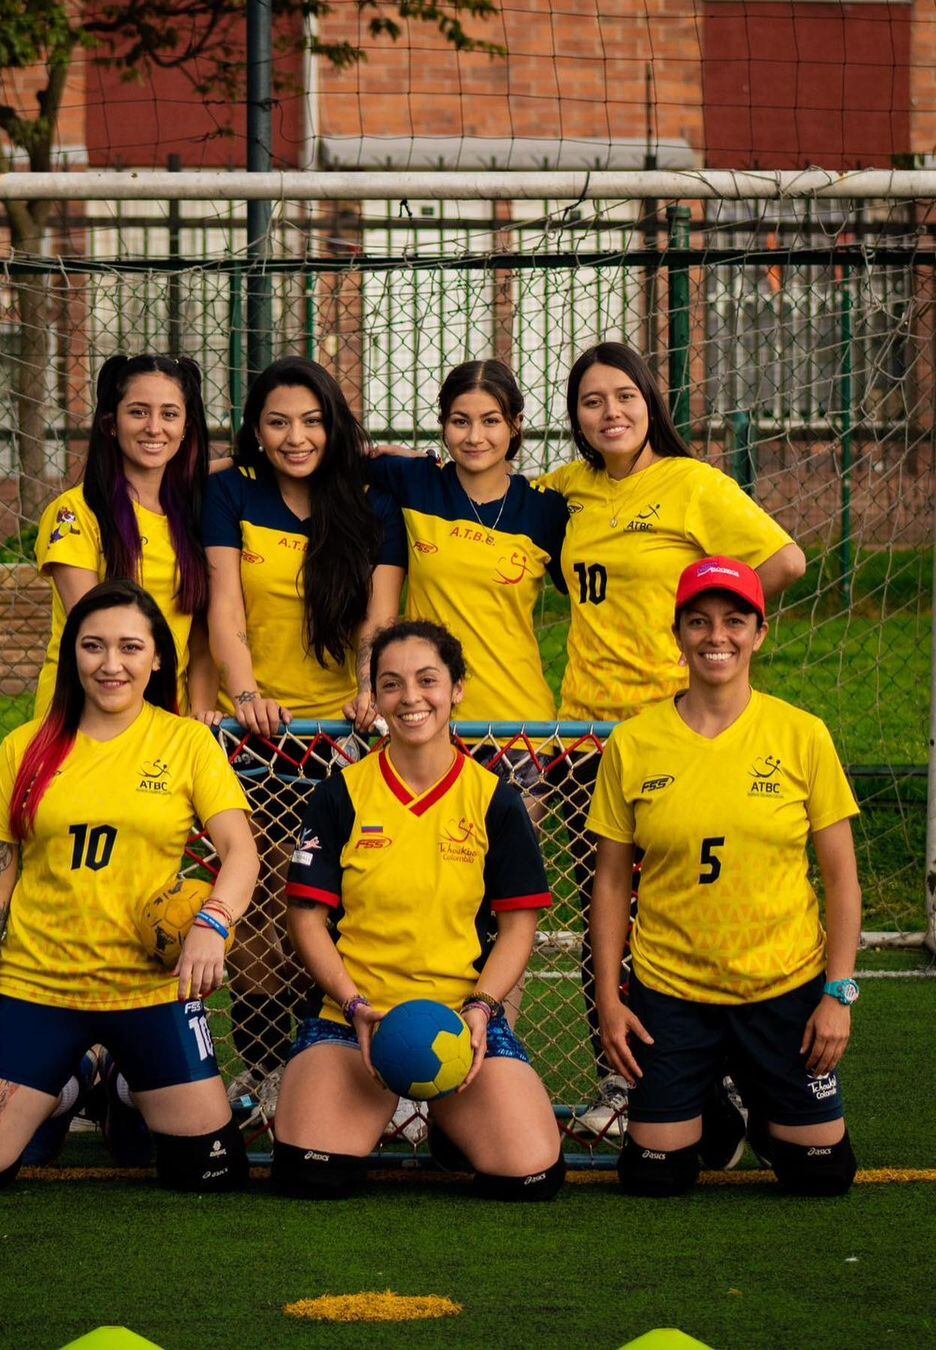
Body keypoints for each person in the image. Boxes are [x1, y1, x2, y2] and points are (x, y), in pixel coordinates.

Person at [535, 342, 807, 1143]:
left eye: (624, 396)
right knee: (605, 918)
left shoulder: (693, 486)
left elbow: (783, 558)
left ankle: (728, 1073)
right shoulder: (568, 491)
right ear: (576, 417)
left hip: (679, 731)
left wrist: (714, 636)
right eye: (591, 401)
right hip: (589, 736)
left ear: (651, 401)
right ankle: (621, 1082)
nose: (610, 412)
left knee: (687, 909)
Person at [0, 580, 258, 1193]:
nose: (112, 665)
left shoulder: (186, 741)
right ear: (72, 655)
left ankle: (125, 1088)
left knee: (209, 1175)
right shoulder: (24, 748)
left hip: (150, 990)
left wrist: (212, 924)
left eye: (131, 647)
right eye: (94, 647)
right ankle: (76, 1075)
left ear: (158, 657)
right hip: (39, 985)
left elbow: (241, 852)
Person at [588, 557, 860, 1196]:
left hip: (783, 986)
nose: (718, 636)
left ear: (759, 633)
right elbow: (609, 882)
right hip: (672, 992)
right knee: (656, 1178)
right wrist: (608, 997)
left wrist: (838, 993)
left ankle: (769, 1109)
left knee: (821, 1176)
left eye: (735, 621)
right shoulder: (633, 743)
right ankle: (708, 1102)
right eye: (700, 622)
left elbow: (842, 879)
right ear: (678, 634)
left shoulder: (802, 735)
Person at [272, 619, 565, 1201]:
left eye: (428, 680)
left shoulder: (494, 800)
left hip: (460, 1021)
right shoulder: (342, 794)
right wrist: (353, 1002)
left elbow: (517, 929)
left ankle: (453, 1127)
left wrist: (482, 1009)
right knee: (312, 1176)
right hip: (354, 1018)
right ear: (375, 697)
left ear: (456, 687)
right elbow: (305, 920)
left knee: (528, 1179)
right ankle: (370, 1109)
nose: (411, 698)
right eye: (391, 684)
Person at [202, 355, 406, 1111]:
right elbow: (223, 603)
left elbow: (378, 613)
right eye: (278, 421)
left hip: (340, 737)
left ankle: (341, 1058)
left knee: (338, 902)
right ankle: (260, 1065)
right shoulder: (230, 494)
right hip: (255, 733)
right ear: (255, 430)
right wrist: (246, 692)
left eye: (313, 420)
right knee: (259, 903)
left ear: (336, 425)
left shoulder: (368, 500)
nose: (296, 437)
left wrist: (365, 688)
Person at [366, 359, 569, 728]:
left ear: (515, 424)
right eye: (461, 421)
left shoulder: (545, 510)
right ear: (444, 426)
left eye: (491, 421)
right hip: (428, 721)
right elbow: (321, 461)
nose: (475, 437)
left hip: (519, 727)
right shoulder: (415, 484)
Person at [34, 354, 216, 718]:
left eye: (169, 414)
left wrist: (200, 713)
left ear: (186, 427)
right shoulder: (76, 512)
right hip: (86, 714)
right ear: (112, 424)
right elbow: (97, 635)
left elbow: (199, 637)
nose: (154, 428)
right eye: (137, 412)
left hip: (167, 719)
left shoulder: (194, 515)